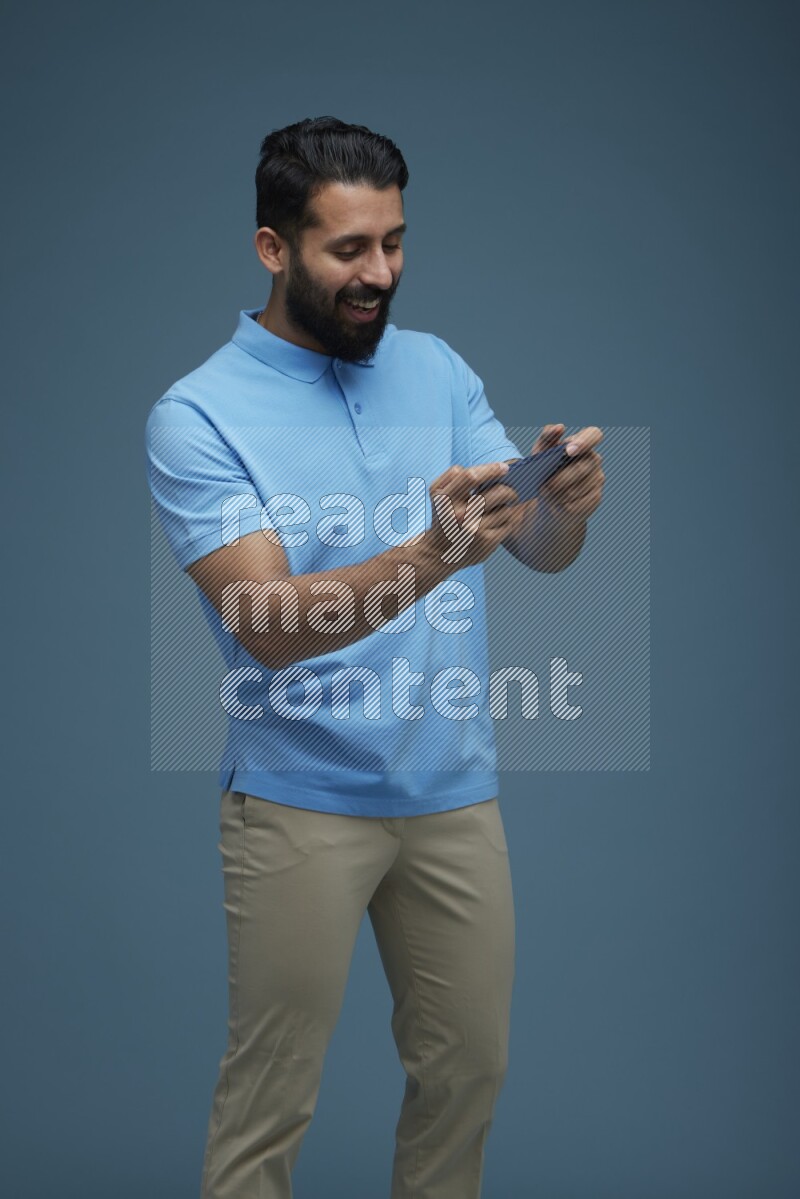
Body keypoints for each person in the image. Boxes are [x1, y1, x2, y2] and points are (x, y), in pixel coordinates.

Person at [145, 116, 604, 1199]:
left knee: (466, 1074)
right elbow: (264, 621)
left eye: (393, 243)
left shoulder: (435, 368)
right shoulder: (197, 414)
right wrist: (433, 556)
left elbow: (535, 548)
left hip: (453, 793)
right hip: (297, 800)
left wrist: (562, 501)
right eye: (347, 250)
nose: (379, 273)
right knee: (271, 1100)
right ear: (272, 249)